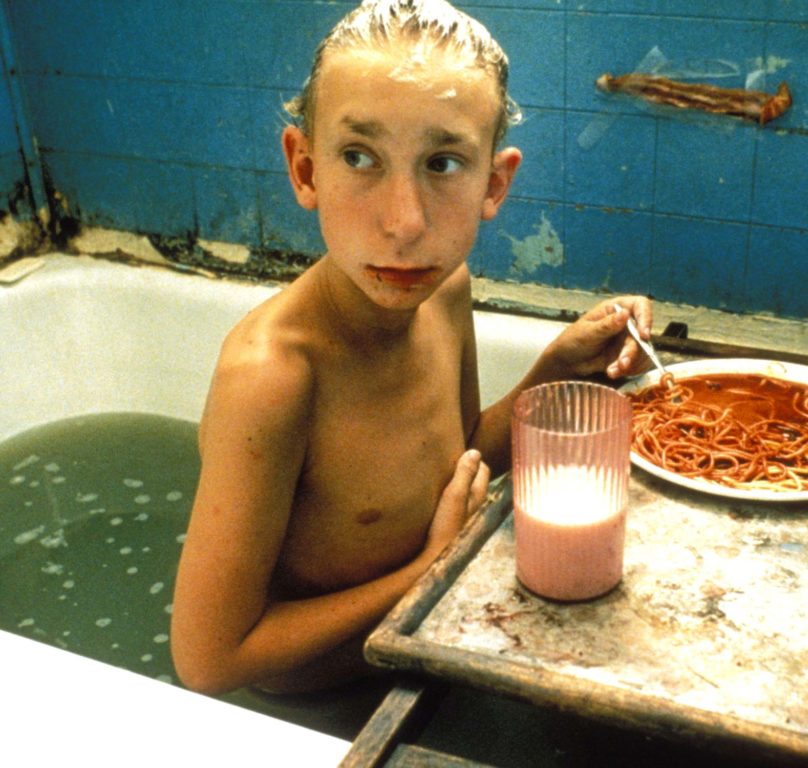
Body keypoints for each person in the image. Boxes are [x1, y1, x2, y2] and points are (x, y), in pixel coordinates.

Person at [170, 0, 654, 695]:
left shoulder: (444, 289)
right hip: (324, 707)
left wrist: (557, 370)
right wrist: (427, 570)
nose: (405, 222)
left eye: (443, 163)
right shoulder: (274, 376)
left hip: (421, 652)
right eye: (360, 157)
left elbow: (455, 456)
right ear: (305, 170)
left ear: (495, 183)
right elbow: (211, 661)